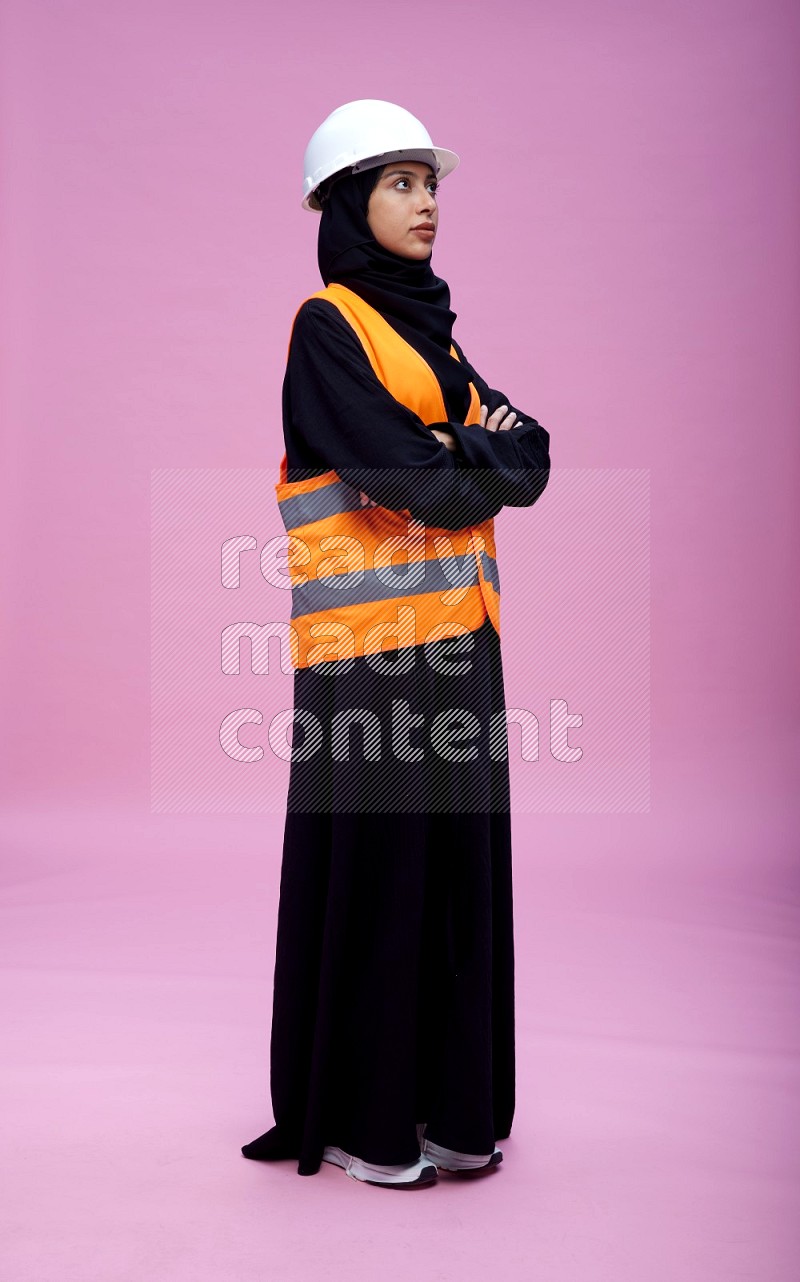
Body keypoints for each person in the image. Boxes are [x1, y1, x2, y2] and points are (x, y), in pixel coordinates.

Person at [241, 100, 551, 1189]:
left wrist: (448, 446)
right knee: (382, 873)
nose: (426, 204)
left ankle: (454, 1110)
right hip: (370, 656)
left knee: (460, 876)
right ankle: (365, 1118)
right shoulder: (327, 326)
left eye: (432, 185)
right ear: (345, 205)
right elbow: (404, 474)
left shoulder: (437, 336)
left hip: (461, 643)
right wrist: (467, 449)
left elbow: (534, 460)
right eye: (401, 183)